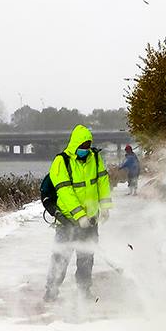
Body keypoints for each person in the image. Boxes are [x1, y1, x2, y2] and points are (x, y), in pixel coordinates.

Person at [44, 125, 113, 301]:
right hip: (67, 221)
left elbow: (102, 182)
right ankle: (51, 291)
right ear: (75, 144)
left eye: (88, 146)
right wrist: (78, 216)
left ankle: (84, 291)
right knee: (61, 257)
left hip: (90, 221)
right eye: (82, 146)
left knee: (86, 258)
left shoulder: (95, 158)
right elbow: (65, 192)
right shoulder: (62, 162)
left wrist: (105, 206)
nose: (85, 149)